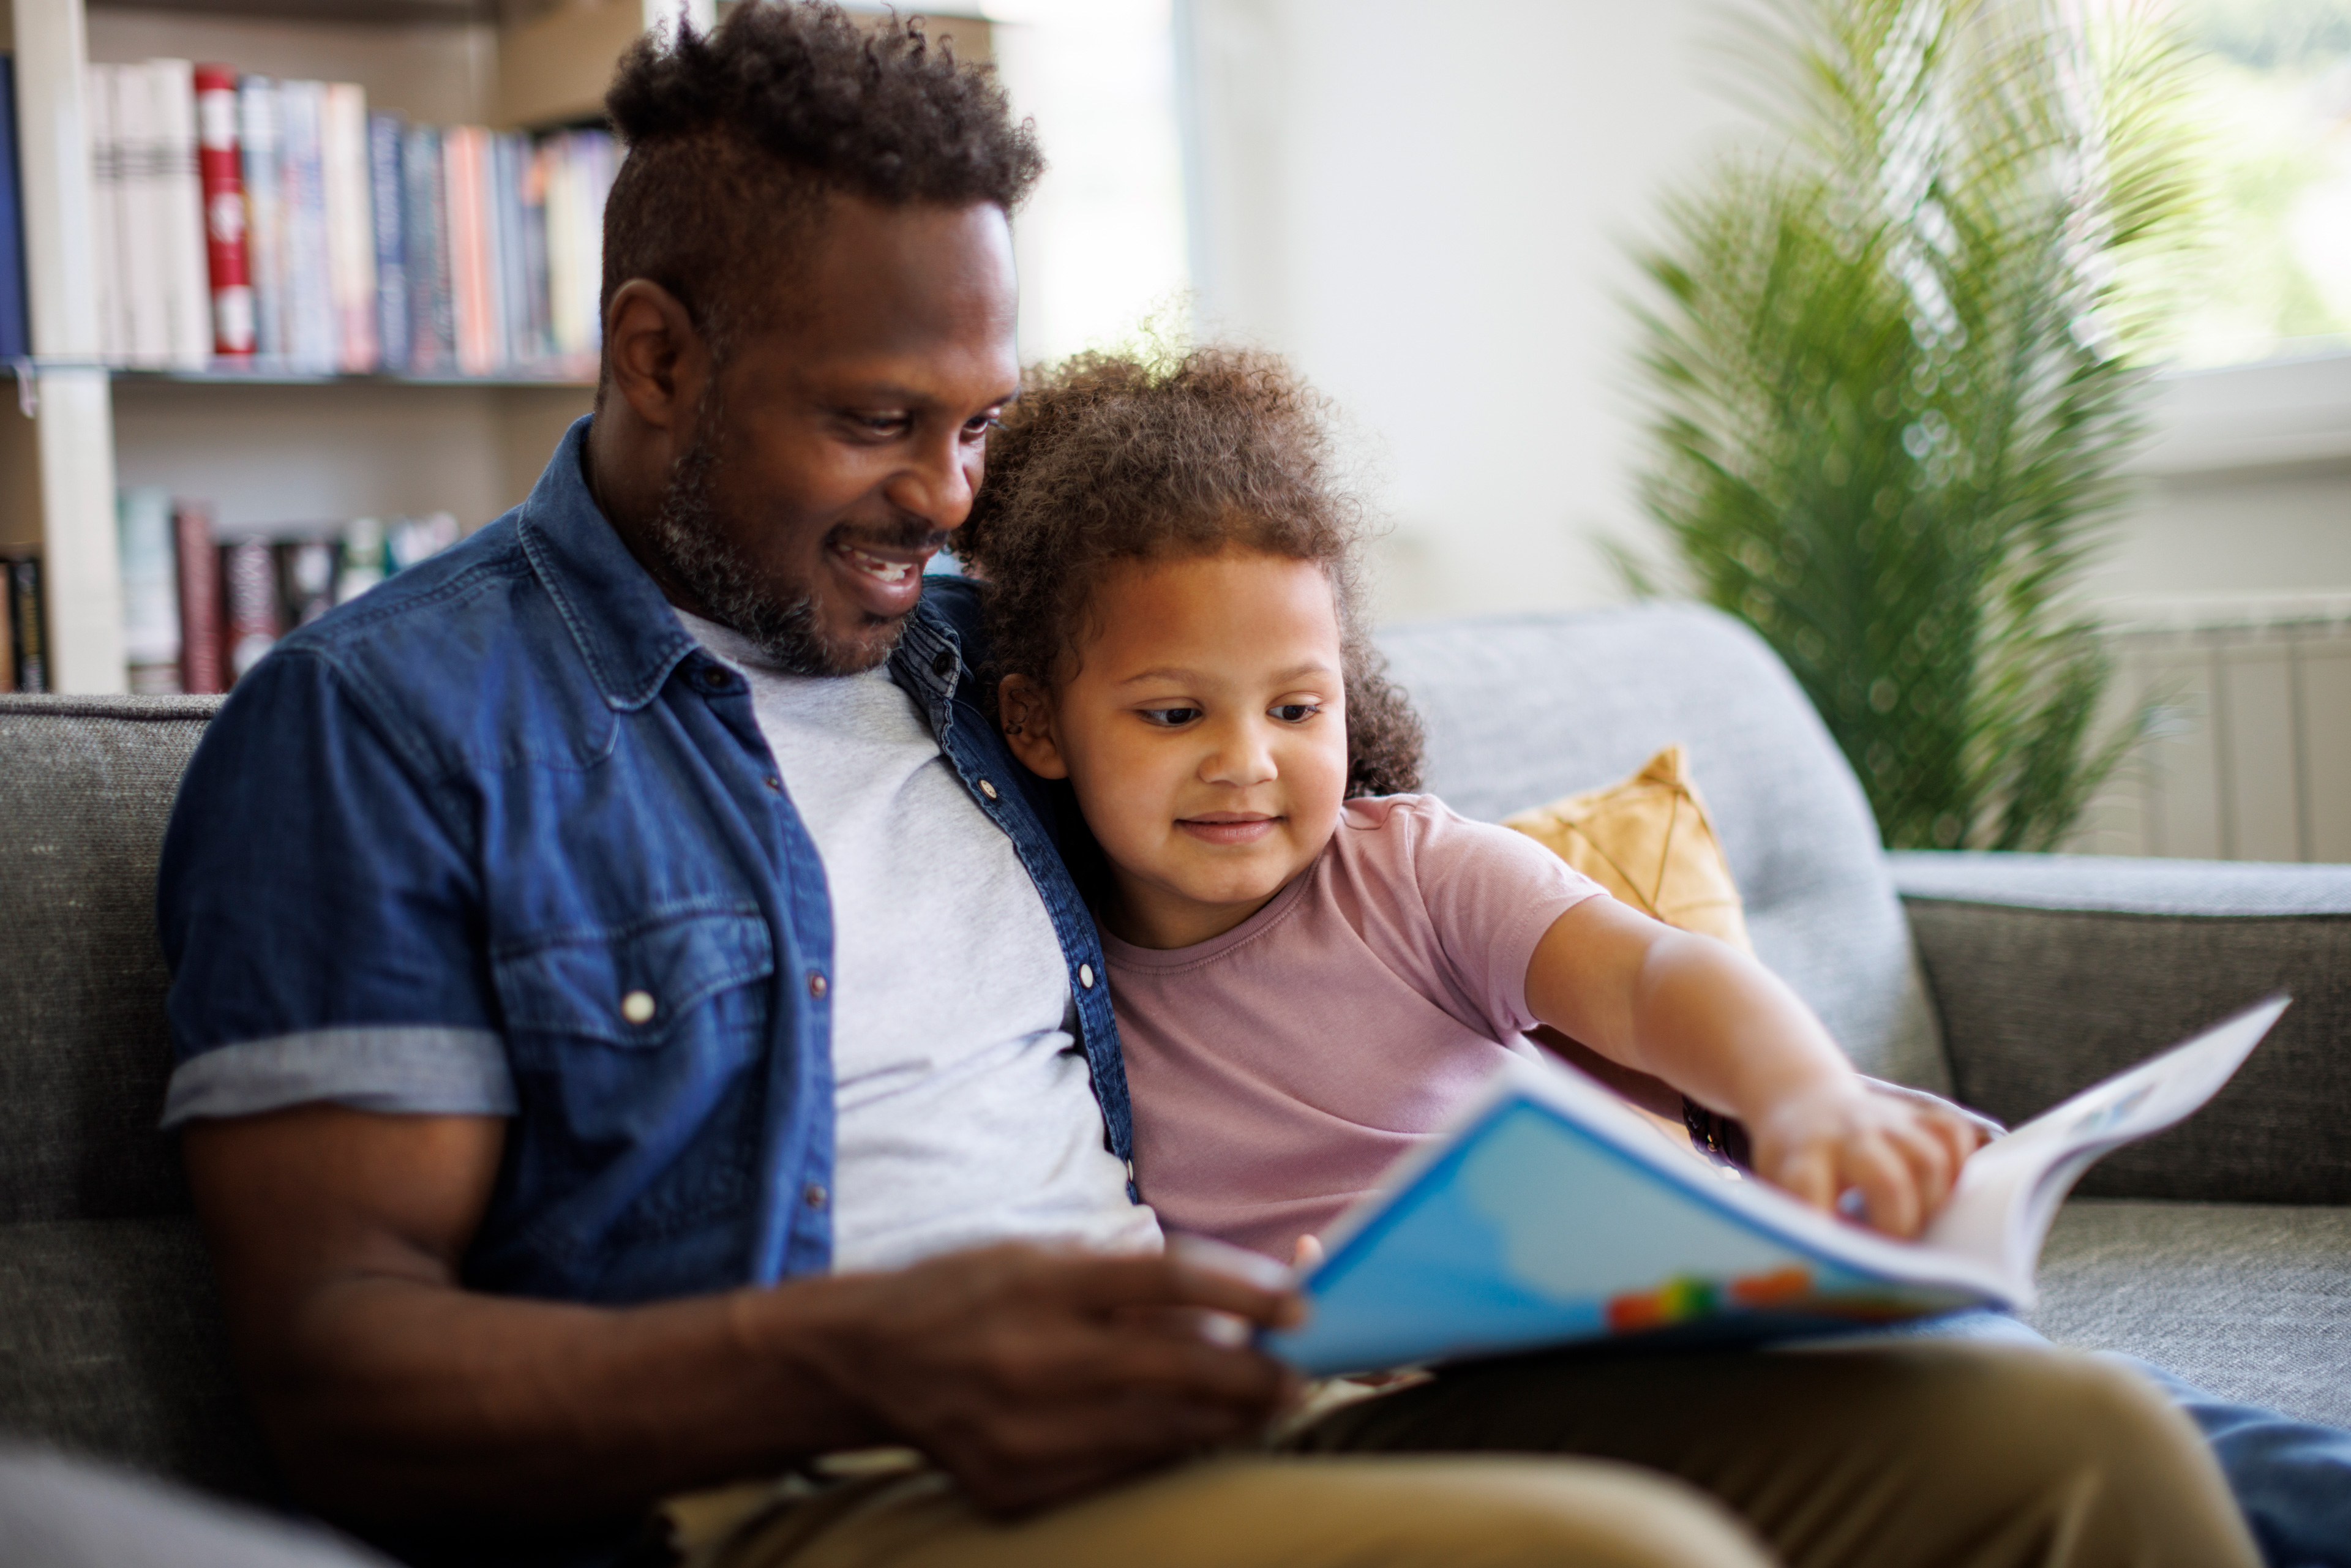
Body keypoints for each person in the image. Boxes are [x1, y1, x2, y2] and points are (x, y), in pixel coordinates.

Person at [151, 6, 2273, 1568]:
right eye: (882, 421)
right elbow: (339, 1365)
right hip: (827, 1494)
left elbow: (1332, 829)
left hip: (1252, 1407)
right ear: (659, 355)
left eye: (980, 425)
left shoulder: (1006, 657)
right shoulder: (387, 727)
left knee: (2067, 1441)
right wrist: (865, 1357)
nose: (945, 499)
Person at [962, 345, 1985, 1258]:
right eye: (1176, 714)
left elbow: (1653, 979)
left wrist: (1803, 1093)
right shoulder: (1042, 980)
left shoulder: (1417, 874)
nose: (1247, 760)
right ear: (1039, 724)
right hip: (1364, 1412)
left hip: (1596, 1311)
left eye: (1296, 707)